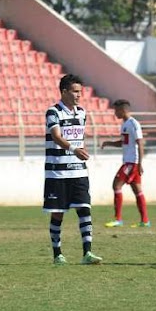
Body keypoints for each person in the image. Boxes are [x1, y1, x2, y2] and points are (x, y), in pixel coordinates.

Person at [43, 74, 102, 265]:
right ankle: (57, 254)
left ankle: (87, 253)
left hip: (79, 171)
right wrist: (74, 149)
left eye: (80, 92)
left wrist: (80, 151)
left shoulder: (82, 112)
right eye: (75, 91)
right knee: (58, 213)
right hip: (57, 173)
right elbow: (56, 136)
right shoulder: (53, 112)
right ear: (64, 91)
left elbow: (79, 139)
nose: (79, 95)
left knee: (85, 210)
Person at [101, 99, 151, 228]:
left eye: (116, 110)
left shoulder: (133, 124)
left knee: (116, 185)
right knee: (137, 191)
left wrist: (140, 163)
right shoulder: (125, 124)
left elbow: (140, 143)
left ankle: (118, 219)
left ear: (123, 110)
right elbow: (124, 142)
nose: (115, 113)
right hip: (130, 162)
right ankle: (145, 221)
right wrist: (109, 143)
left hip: (131, 163)